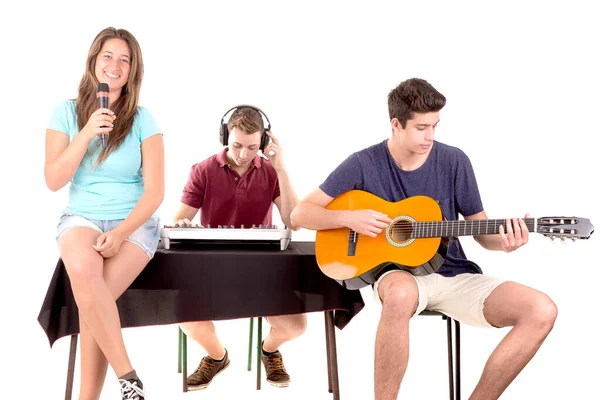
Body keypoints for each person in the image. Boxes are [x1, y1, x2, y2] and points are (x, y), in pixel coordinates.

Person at [290, 78, 558, 400]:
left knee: (542, 310)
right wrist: (349, 218)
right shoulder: (363, 163)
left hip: (456, 275)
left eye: (435, 126)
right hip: (399, 276)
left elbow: (481, 231)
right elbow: (300, 214)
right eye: (421, 127)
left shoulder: (454, 160)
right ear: (396, 124)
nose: (430, 136)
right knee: (401, 294)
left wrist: (506, 242)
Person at [44, 27, 164, 400]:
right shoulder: (65, 112)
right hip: (82, 217)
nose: (115, 65)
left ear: (132, 71)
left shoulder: (144, 119)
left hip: (135, 222)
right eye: (108, 56)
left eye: (124, 60)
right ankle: (129, 377)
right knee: (84, 276)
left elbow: (155, 192)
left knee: (93, 301)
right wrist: (85, 133)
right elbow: (53, 179)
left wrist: (123, 232)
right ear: (94, 61)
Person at [172, 105, 306, 391]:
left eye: (252, 147)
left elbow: (293, 222)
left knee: (296, 326)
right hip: (212, 266)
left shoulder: (271, 172)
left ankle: (268, 350)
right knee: (182, 313)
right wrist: (182, 224)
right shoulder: (203, 170)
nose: (244, 154)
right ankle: (217, 356)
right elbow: (180, 218)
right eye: (236, 145)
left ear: (264, 143)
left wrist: (281, 169)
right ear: (225, 137)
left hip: (262, 269)